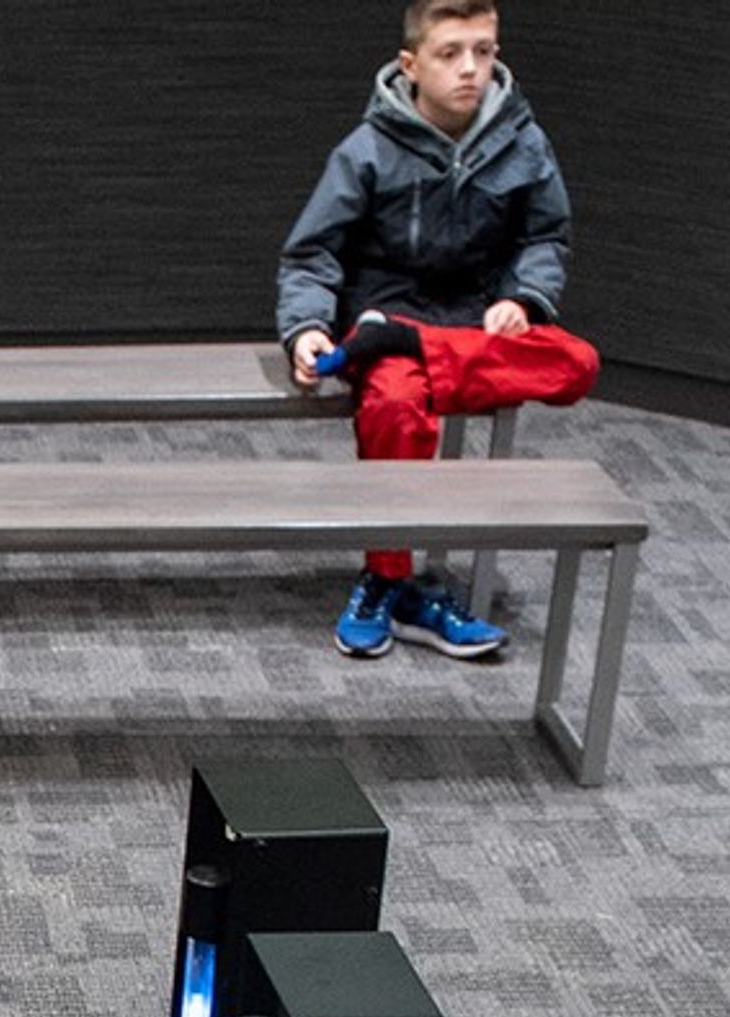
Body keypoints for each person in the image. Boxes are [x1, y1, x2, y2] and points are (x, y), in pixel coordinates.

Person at [276, 0, 600, 662]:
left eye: (484, 51)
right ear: (411, 64)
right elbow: (312, 253)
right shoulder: (367, 149)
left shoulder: (524, 141)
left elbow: (546, 235)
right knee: (394, 403)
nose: (471, 69)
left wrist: (524, 302)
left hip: (471, 323)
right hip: (390, 305)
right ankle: (391, 580)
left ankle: (403, 348)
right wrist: (306, 327)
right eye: (451, 53)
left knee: (577, 363)